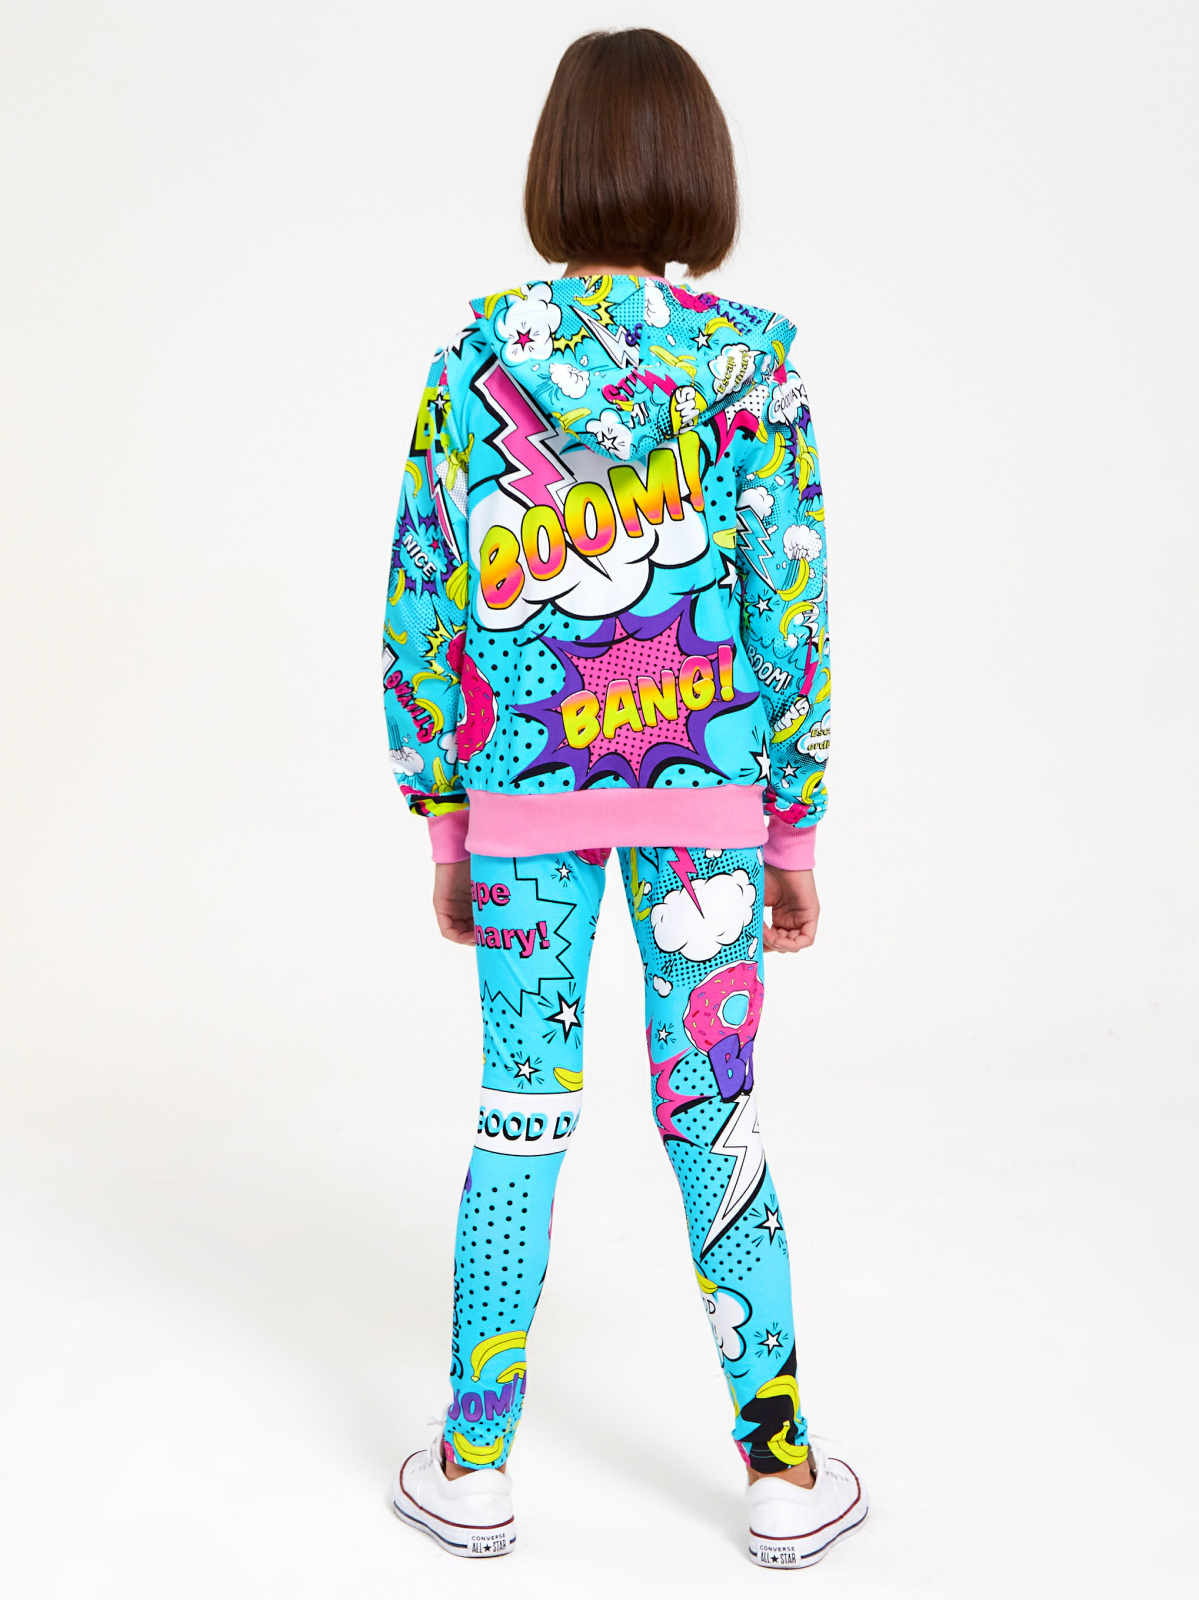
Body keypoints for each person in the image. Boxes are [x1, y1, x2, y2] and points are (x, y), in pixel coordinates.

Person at [382, 28, 866, 1570]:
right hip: (709, 810)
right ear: (697, 172)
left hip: (520, 812)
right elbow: (789, 601)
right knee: (714, 1117)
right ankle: (782, 1473)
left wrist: (448, 814)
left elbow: (423, 599)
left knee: (520, 1116)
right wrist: (789, 820)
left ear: (557, 169)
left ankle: (471, 1470)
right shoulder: (749, 368)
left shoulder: (472, 368)